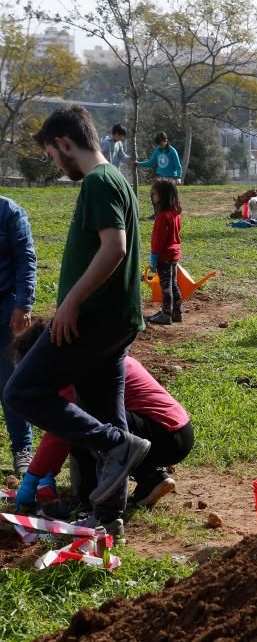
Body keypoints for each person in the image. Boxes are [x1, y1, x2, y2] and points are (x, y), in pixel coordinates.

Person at [5, 105, 150, 539]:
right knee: (108, 412)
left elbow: (115, 248)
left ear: (64, 144)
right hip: (115, 322)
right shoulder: (117, 181)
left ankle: (114, 446)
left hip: (91, 320)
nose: (55, 163)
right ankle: (108, 517)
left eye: (52, 154)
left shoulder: (100, 182)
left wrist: (69, 303)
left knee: (22, 391)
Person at [12, 320, 194, 515]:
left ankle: (87, 503)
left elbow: (60, 433)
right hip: (176, 433)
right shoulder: (94, 358)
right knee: (103, 428)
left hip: (162, 434)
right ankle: (150, 479)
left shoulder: (75, 375)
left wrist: (34, 476)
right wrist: (47, 472)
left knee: (83, 427)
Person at [0, 194, 36, 476]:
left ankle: (22, 449)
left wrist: (23, 305)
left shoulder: (9, 211)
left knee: (10, 383)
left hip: (6, 311)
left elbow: (25, 258)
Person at [146, 180, 183, 326]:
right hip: (174, 254)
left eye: (154, 193)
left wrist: (154, 257)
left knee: (165, 286)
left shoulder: (162, 216)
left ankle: (166, 314)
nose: (152, 196)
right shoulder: (175, 213)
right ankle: (177, 312)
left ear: (162, 195)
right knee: (173, 284)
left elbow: (158, 239)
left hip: (164, 256)